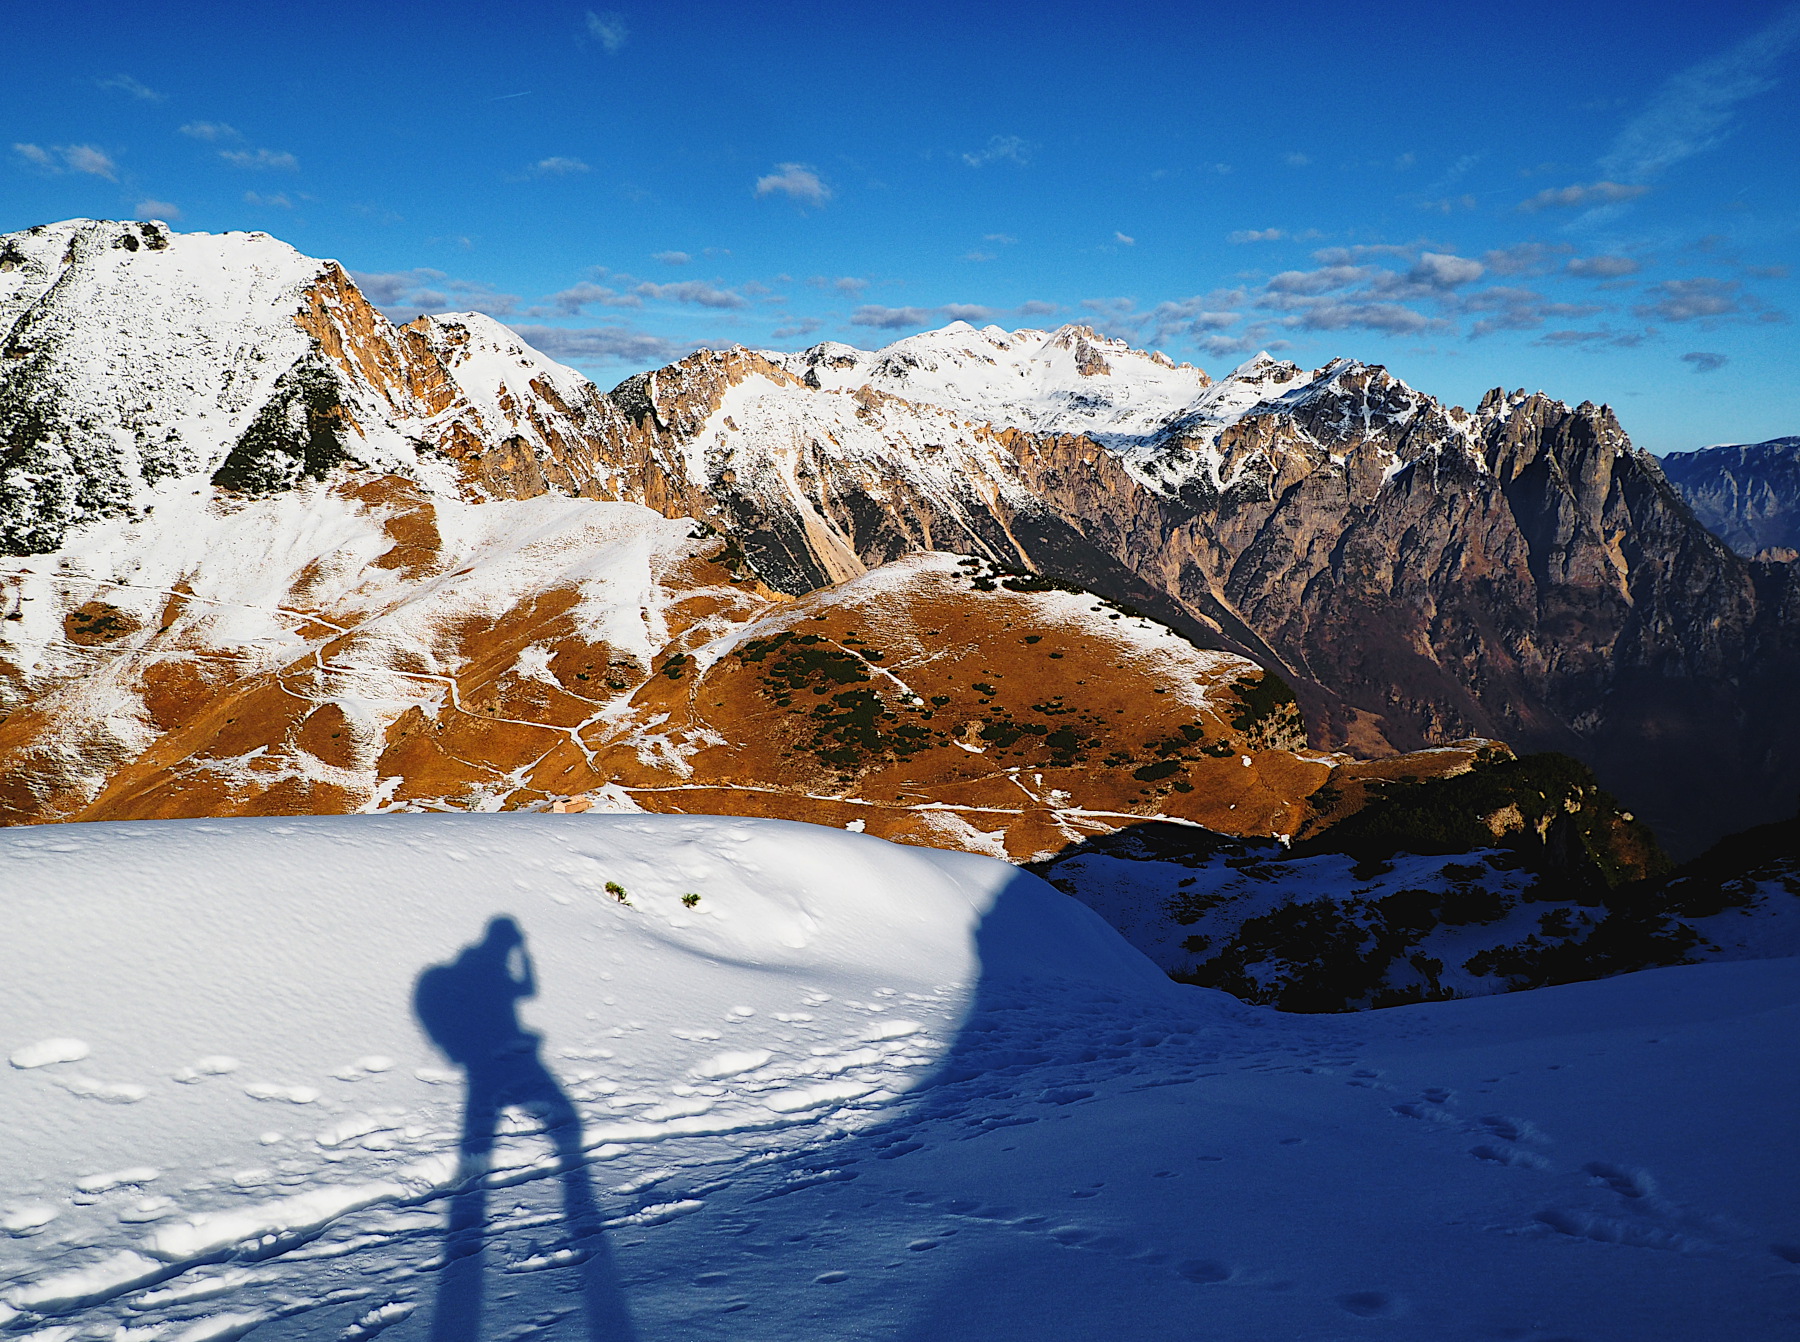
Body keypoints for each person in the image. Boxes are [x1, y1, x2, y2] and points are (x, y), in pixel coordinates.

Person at [414, 917, 636, 1341]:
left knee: (484, 1134)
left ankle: (469, 1203)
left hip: (496, 1062)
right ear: (503, 941)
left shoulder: (486, 965)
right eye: (514, 941)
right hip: (501, 1061)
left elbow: (527, 991)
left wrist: (521, 958)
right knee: (558, 1123)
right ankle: (517, 1200)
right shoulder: (481, 968)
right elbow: (520, 993)